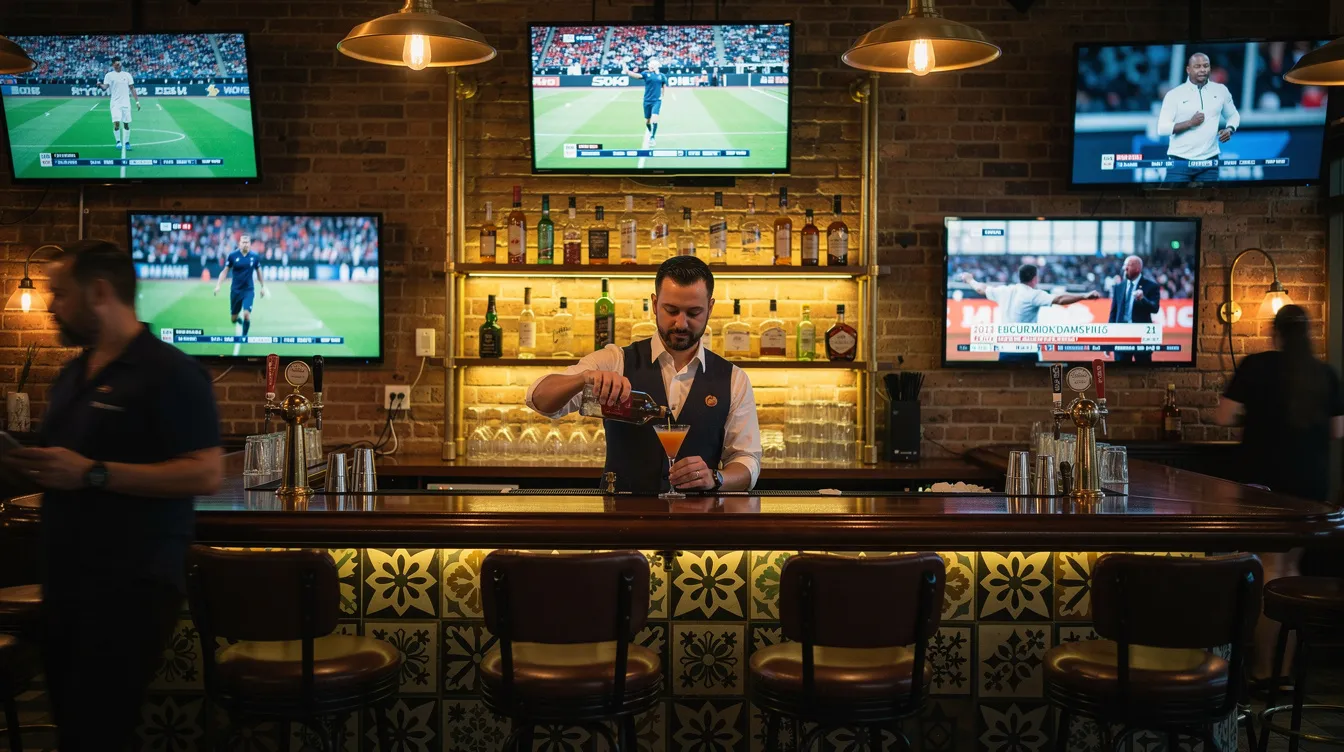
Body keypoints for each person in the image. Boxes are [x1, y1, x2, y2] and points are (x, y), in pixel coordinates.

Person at [2, 239, 223, 751]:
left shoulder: (171, 372)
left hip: (130, 586)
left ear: (99, 292)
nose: (52, 307)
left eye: (59, 294)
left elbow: (204, 473)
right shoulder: (72, 375)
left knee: (99, 730)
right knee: (75, 728)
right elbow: (68, 466)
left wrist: (93, 474)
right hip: (65, 583)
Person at [526, 256, 762, 493]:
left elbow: (747, 461)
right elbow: (539, 399)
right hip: (620, 521)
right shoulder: (615, 361)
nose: (681, 323)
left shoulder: (733, 379)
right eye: (671, 310)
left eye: (694, 312)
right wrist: (584, 378)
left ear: (710, 307)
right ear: (654, 303)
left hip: (699, 523)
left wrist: (717, 478)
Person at [1215, 304, 1344, 678]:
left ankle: (1264, 672)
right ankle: (1285, 671)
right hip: (1310, 487)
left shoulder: (1256, 366)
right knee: (1290, 567)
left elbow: (1223, 417)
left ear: (1276, 332)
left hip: (1263, 485)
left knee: (1269, 569)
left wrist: (1254, 417)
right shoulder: (1325, 374)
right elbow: (1338, 430)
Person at [959, 265, 1100, 363]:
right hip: (1027, 351)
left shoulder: (1003, 291)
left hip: (1005, 350)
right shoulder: (1033, 294)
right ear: (1034, 279)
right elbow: (1060, 299)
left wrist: (970, 279)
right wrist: (1085, 296)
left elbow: (981, 289)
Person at [1157, 52, 1240, 183]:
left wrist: (1229, 129)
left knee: (1209, 202)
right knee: (1170, 199)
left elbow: (1233, 115)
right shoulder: (1174, 94)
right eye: (1197, 66)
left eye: (1206, 66)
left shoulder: (1221, 90)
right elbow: (1162, 128)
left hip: (1209, 161)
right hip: (1180, 161)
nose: (1202, 70)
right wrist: (1190, 123)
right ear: (1188, 70)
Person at [213, 233, 267, 342]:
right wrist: (218, 285)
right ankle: (237, 319)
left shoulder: (254, 257)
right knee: (233, 319)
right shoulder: (233, 256)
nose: (245, 244)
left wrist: (262, 286)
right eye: (243, 242)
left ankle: (244, 336)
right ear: (239, 243)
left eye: (247, 242)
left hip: (248, 290)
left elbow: (259, 272)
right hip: (235, 290)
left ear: (250, 244)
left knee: (247, 314)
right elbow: (225, 271)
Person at [1108, 255, 1162, 363]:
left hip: (1141, 337)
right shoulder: (1119, 287)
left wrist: (1143, 299)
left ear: (1137, 268)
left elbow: (1155, 308)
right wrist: (1109, 342)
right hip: (1121, 337)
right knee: (1120, 374)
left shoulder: (1151, 286)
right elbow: (1113, 315)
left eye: (1128, 265)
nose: (1124, 268)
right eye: (1124, 265)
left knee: (1143, 374)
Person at [622, 56, 668, 146]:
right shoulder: (646, 74)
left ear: (655, 66)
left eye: (651, 65)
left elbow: (663, 86)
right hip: (647, 100)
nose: (649, 66)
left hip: (656, 101)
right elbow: (636, 75)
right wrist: (627, 70)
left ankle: (652, 138)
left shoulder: (662, 76)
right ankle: (651, 132)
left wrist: (662, 95)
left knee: (654, 119)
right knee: (648, 120)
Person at [98, 56, 141, 152]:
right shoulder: (109, 75)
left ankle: (127, 142)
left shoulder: (127, 75)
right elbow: (105, 87)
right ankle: (118, 141)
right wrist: (100, 85)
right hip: (115, 103)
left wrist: (137, 101)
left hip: (126, 103)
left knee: (126, 124)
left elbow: (132, 88)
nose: (119, 66)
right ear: (113, 65)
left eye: (120, 64)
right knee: (116, 123)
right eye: (117, 64)